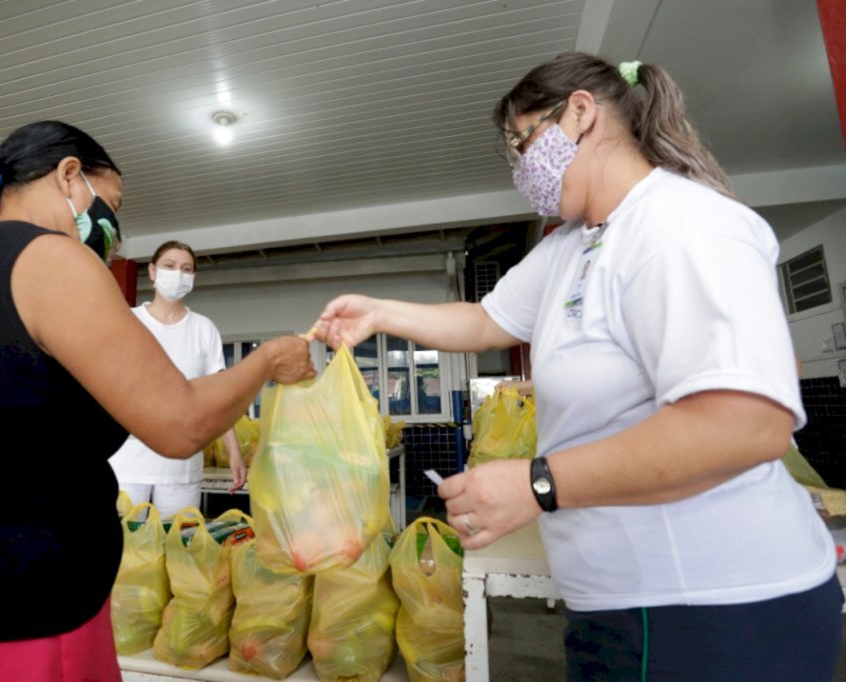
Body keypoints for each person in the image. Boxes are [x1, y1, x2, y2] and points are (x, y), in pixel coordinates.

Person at [314, 53, 841, 680]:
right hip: (620, 604)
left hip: (710, 609)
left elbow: (745, 425)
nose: (519, 170)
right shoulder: (576, 242)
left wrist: (537, 484)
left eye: (522, 142)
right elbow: (486, 321)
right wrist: (379, 313)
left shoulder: (682, 225)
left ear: (581, 114)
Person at [0, 120, 314, 682]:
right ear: (69, 176)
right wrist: (267, 361)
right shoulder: (48, 258)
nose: (113, 229)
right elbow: (180, 423)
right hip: (18, 618)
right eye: (112, 206)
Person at [109, 240, 247, 517]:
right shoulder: (127, 321)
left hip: (182, 464)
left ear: (193, 278)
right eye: (169, 266)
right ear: (152, 271)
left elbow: (217, 398)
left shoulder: (203, 329)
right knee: (125, 550)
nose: (178, 274)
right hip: (127, 464)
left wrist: (234, 452)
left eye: (186, 269)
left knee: (180, 548)